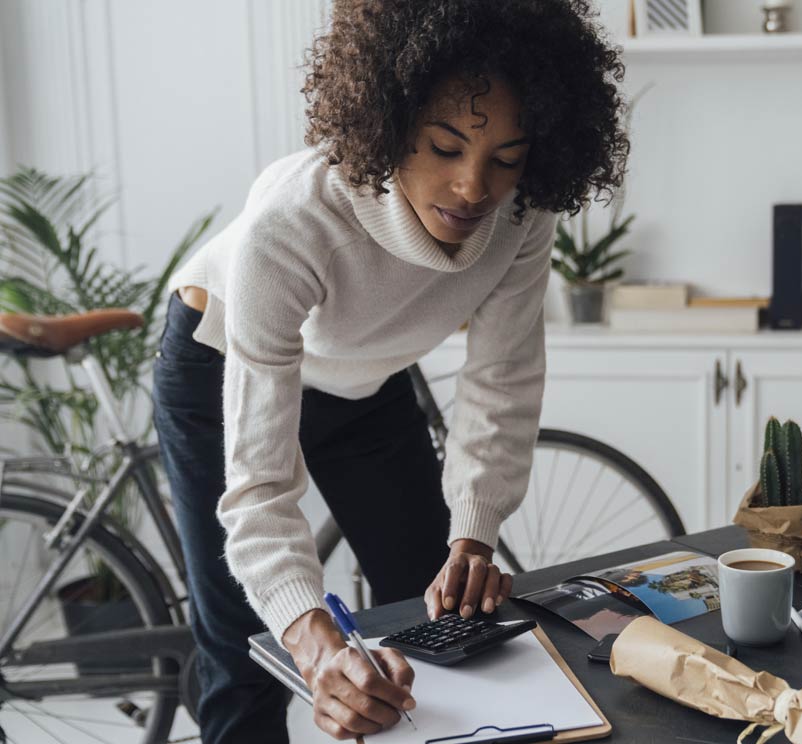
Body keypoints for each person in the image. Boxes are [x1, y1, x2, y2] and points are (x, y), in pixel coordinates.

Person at [150, 1, 628, 741]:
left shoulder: (524, 215)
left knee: (440, 611)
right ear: (388, 122)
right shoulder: (294, 224)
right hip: (217, 359)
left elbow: (502, 378)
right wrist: (317, 648)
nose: (475, 188)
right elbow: (260, 490)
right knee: (249, 642)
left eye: (506, 157)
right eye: (444, 146)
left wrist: (474, 535)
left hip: (364, 380)